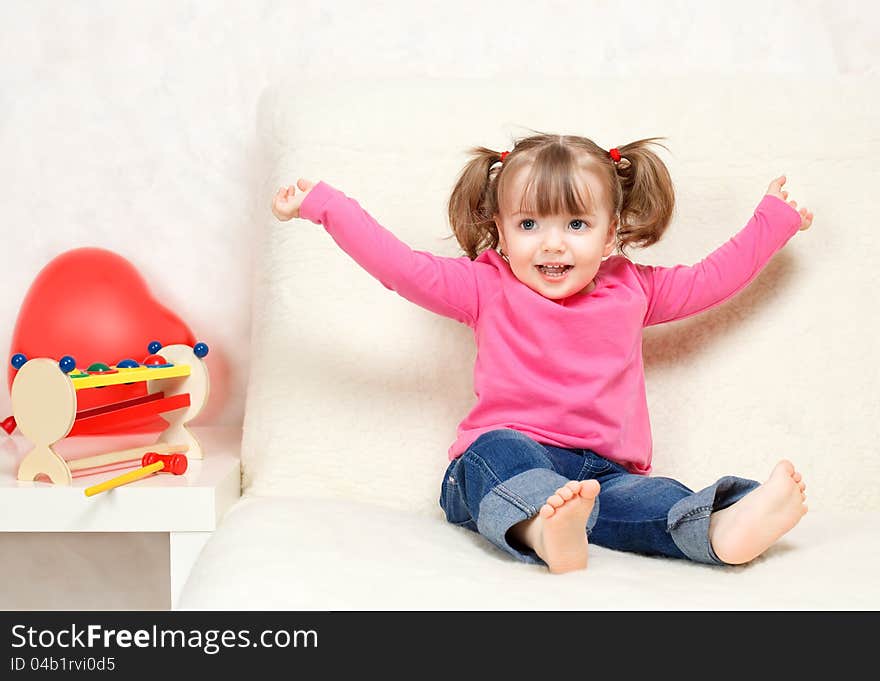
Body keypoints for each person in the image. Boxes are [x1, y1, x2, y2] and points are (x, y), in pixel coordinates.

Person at [271, 132, 813, 574]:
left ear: (609, 238)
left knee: (649, 500)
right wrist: (326, 207)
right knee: (499, 454)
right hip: (504, 456)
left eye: (576, 225)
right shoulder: (486, 285)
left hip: (604, 475)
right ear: (501, 235)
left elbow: (712, 279)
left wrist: (773, 220)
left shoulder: (633, 290)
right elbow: (401, 269)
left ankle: (720, 529)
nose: (552, 244)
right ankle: (539, 529)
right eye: (529, 225)